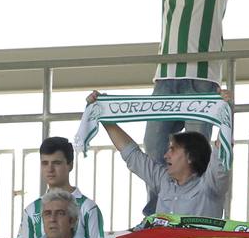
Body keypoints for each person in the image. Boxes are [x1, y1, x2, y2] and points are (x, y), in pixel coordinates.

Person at [129, 0, 239, 214]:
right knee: (154, 145)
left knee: (196, 153)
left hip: (202, 79)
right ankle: (157, 213)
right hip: (166, 78)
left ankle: (195, 214)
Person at [89, 88, 232, 220]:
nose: (166, 155)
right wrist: (104, 115)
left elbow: (222, 152)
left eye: (173, 149)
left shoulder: (210, 185)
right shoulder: (163, 180)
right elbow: (132, 154)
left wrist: (225, 109)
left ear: (191, 156)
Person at [5, 136, 106, 238]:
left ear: (70, 165)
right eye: (45, 163)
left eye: (56, 163)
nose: (50, 169)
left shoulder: (87, 208)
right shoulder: (31, 209)